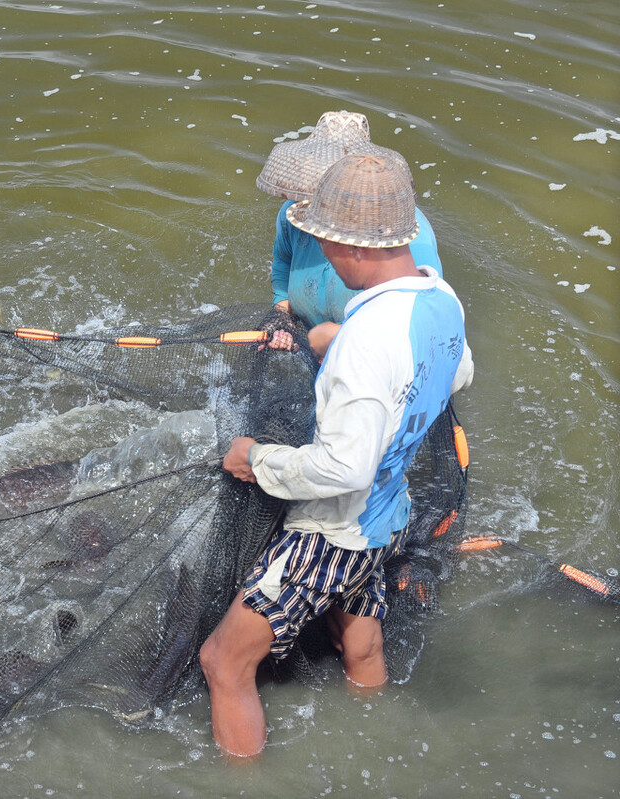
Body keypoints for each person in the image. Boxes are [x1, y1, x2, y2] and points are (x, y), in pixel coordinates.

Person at [199, 152, 474, 758]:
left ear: (352, 247)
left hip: (334, 531)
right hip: (390, 514)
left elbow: (341, 467)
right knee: (360, 643)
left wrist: (256, 458)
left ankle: (242, 781)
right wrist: (340, 337)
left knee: (222, 661)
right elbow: (456, 374)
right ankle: (375, 743)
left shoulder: (367, 341)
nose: (320, 252)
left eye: (324, 241)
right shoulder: (441, 298)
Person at [255, 111, 443, 359]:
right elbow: (283, 261)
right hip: (326, 343)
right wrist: (282, 312)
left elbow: (416, 320)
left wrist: (341, 340)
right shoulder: (294, 214)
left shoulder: (403, 231)